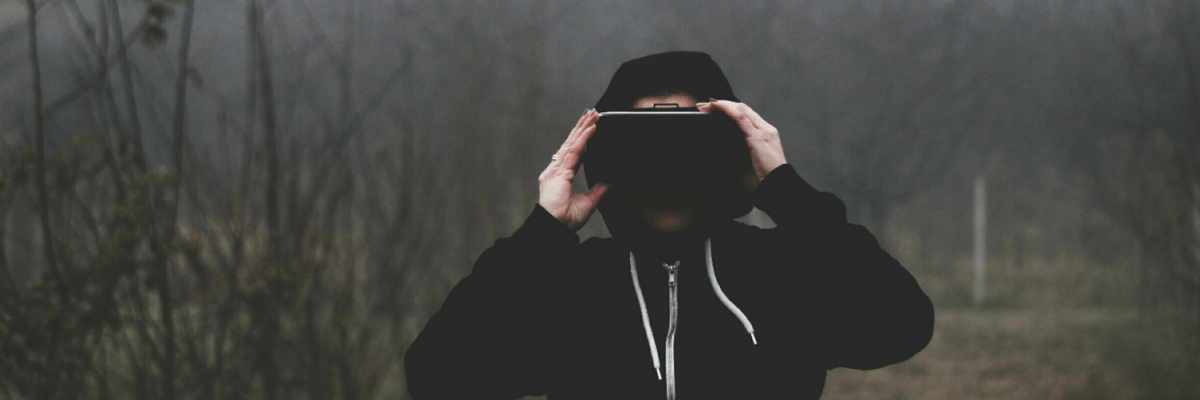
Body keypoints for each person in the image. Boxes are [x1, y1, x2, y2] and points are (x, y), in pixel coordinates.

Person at [404, 51, 934, 400]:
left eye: (687, 144)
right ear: (611, 157)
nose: (667, 166)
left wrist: (787, 192)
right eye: (647, 145)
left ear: (726, 153)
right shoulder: (573, 287)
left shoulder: (781, 273)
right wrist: (543, 233)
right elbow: (437, 375)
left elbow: (903, 323)